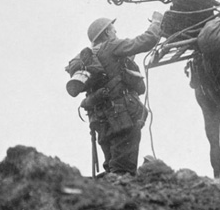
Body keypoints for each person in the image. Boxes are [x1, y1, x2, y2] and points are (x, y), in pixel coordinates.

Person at [67, 13, 163, 177]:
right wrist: (156, 22)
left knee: (112, 167)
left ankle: (109, 196)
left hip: (102, 122)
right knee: (123, 171)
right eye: (114, 31)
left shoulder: (88, 57)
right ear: (106, 33)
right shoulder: (111, 46)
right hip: (123, 118)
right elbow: (145, 41)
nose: (116, 34)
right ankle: (121, 200)